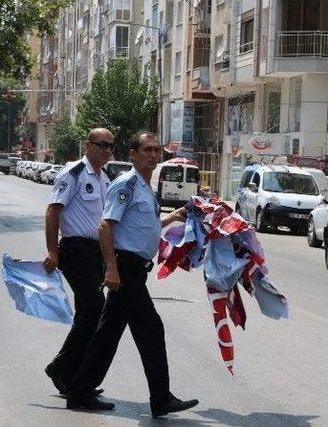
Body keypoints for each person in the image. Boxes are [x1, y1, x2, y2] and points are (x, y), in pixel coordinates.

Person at [65, 131, 199, 417]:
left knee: (107, 333)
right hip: (125, 269)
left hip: (134, 269)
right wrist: (111, 269)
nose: (153, 155)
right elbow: (106, 226)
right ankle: (160, 398)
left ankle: (79, 390)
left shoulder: (146, 187)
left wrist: (171, 219)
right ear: (133, 154)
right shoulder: (126, 184)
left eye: (156, 150)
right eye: (147, 150)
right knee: (151, 328)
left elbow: (141, 226)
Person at [42, 128, 114, 397]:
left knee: (88, 314)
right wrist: (52, 251)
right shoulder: (73, 173)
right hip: (76, 250)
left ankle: (70, 373)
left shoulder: (105, 179)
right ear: (88, 145)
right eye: (101, 145)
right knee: (95, 310)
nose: (106, 150)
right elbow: (53, 211)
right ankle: (62, 369)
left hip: (95, 253)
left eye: (110, 146)